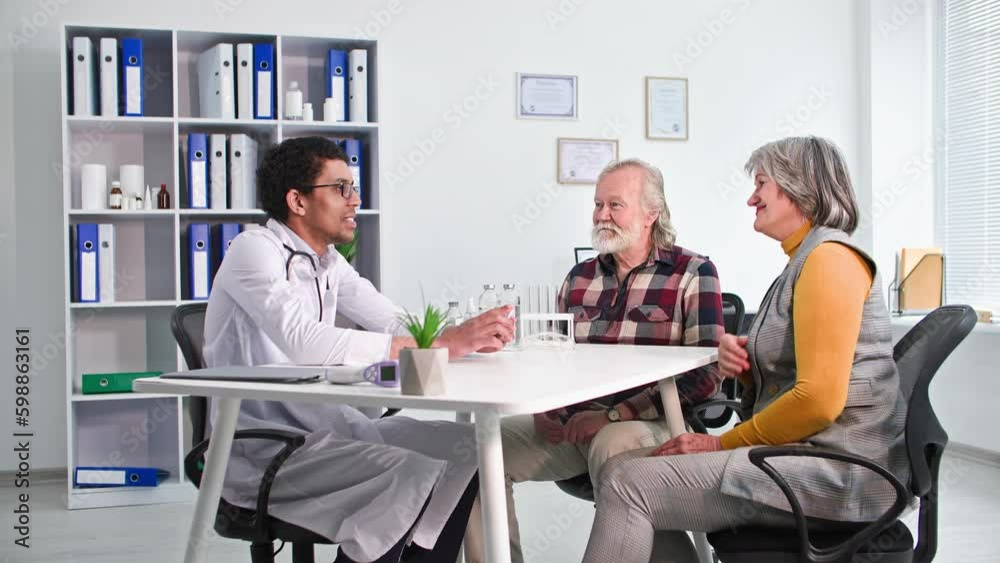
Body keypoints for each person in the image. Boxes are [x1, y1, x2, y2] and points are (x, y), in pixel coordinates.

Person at [581, 136, 910, 562]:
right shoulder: (804, 260)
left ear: (797, 187)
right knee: (617, 470)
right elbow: (805, 375)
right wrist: (749, 367)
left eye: (761, 184)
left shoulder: (830, 260)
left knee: (627, 484)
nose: (752, 198)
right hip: (805, 459)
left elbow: (818, 401)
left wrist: (721, 445)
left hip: (838, 474)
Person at [202, 136, 515, 563]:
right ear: (297, 200)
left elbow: (393, 321)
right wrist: (441, 344)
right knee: (411, 474)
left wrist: (466, 334)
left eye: (354, 187)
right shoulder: (253, 248)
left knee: (470, 450)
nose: (356, 199)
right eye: (341, 188)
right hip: (267, 450)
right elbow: (305, 341)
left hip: (327, 427)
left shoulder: (329, 261)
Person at [466, 158, 724, 562]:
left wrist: (613, 415)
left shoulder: (693, 273)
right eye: (598, 204)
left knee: (611, 443)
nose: (602, 215)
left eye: (615, 205)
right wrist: (546, 409)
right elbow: (551, 357)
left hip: (652, 424)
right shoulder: (579, 277)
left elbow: (707, 375)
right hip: (576, 425)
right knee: (477, 450)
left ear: (651, 214)